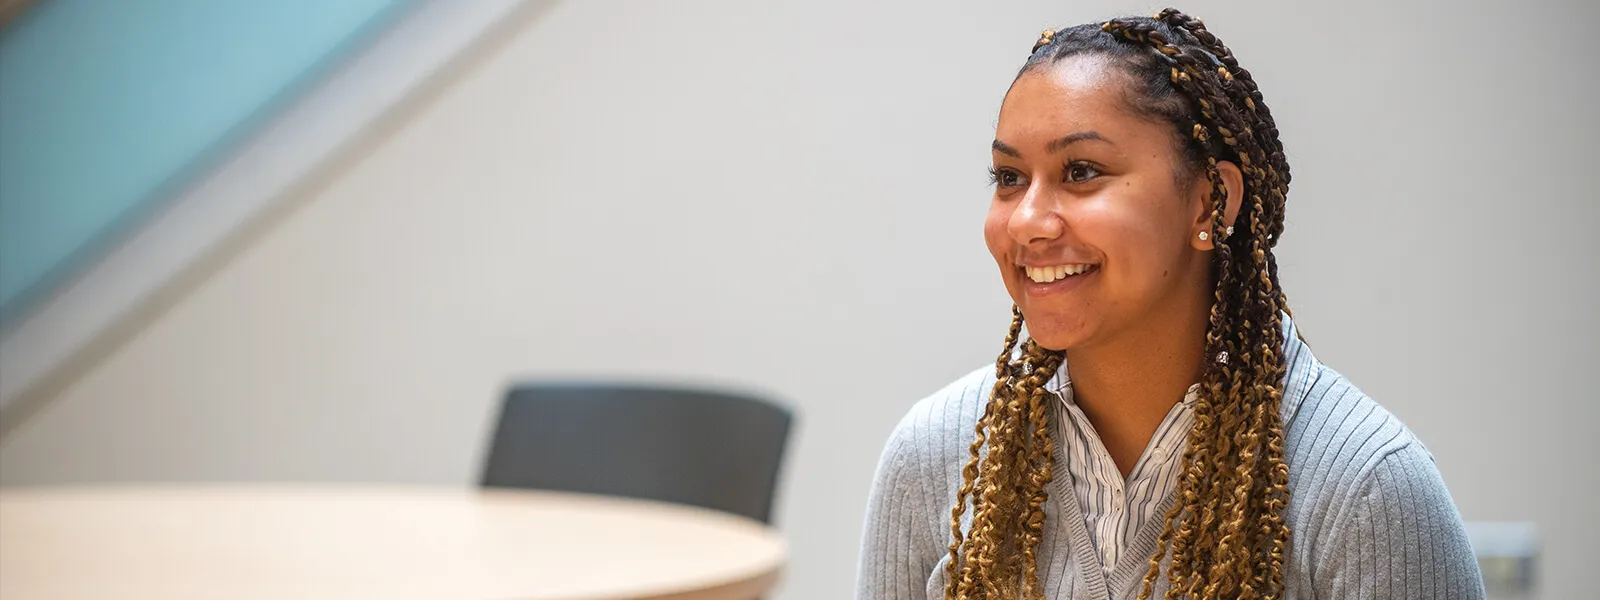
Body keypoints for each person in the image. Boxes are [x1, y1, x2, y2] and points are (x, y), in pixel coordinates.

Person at [855, 9, 1484, 600]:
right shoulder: (933, 457)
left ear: (1211, 201)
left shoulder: (1365, 489)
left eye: (1081, 171)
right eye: (1009, 178)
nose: (1026, 222)